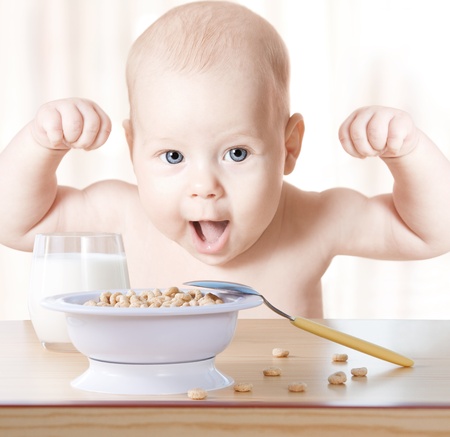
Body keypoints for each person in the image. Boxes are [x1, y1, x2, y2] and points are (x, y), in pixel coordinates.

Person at [1, 1, 450, 318]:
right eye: (173, 155)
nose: (204, 185)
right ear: (135, 148)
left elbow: (430, 233)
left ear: (289, 147)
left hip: (285, 419)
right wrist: (43, 142)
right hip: (156, 416)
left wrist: (405, 152)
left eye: (236, 153)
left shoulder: (312, 221)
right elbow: (13, 222)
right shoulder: (124, 217)